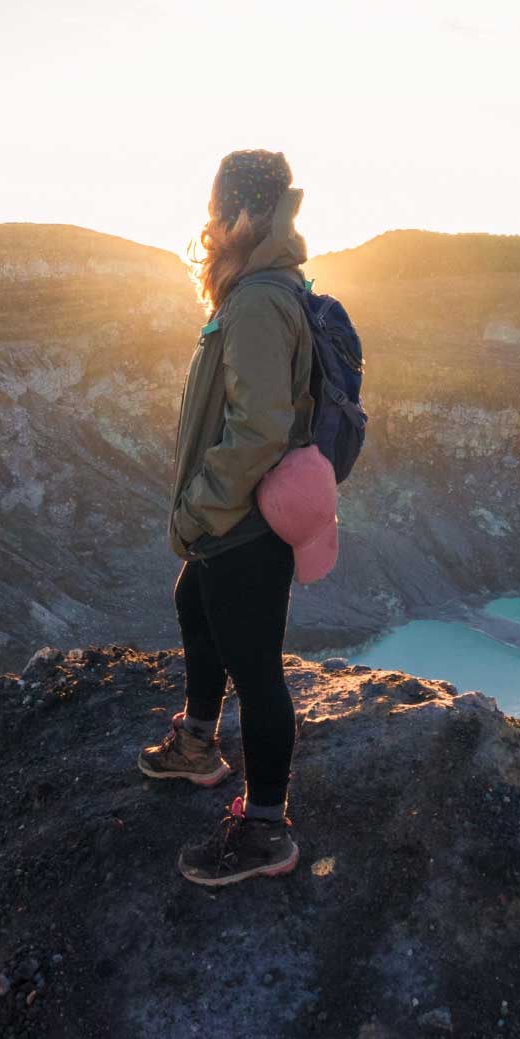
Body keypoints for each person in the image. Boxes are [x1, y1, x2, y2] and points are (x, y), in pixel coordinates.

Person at [139, 148, 315, 886]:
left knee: (255, 666)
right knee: (193, 600)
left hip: (242, 517)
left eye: (218, 208)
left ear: (244, 213)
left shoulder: (254, 302)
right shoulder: (258, 289)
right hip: (238, 515)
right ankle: (201, 744)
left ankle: (266, 827)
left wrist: (200, 508)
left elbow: (259, 428)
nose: (209, 223)